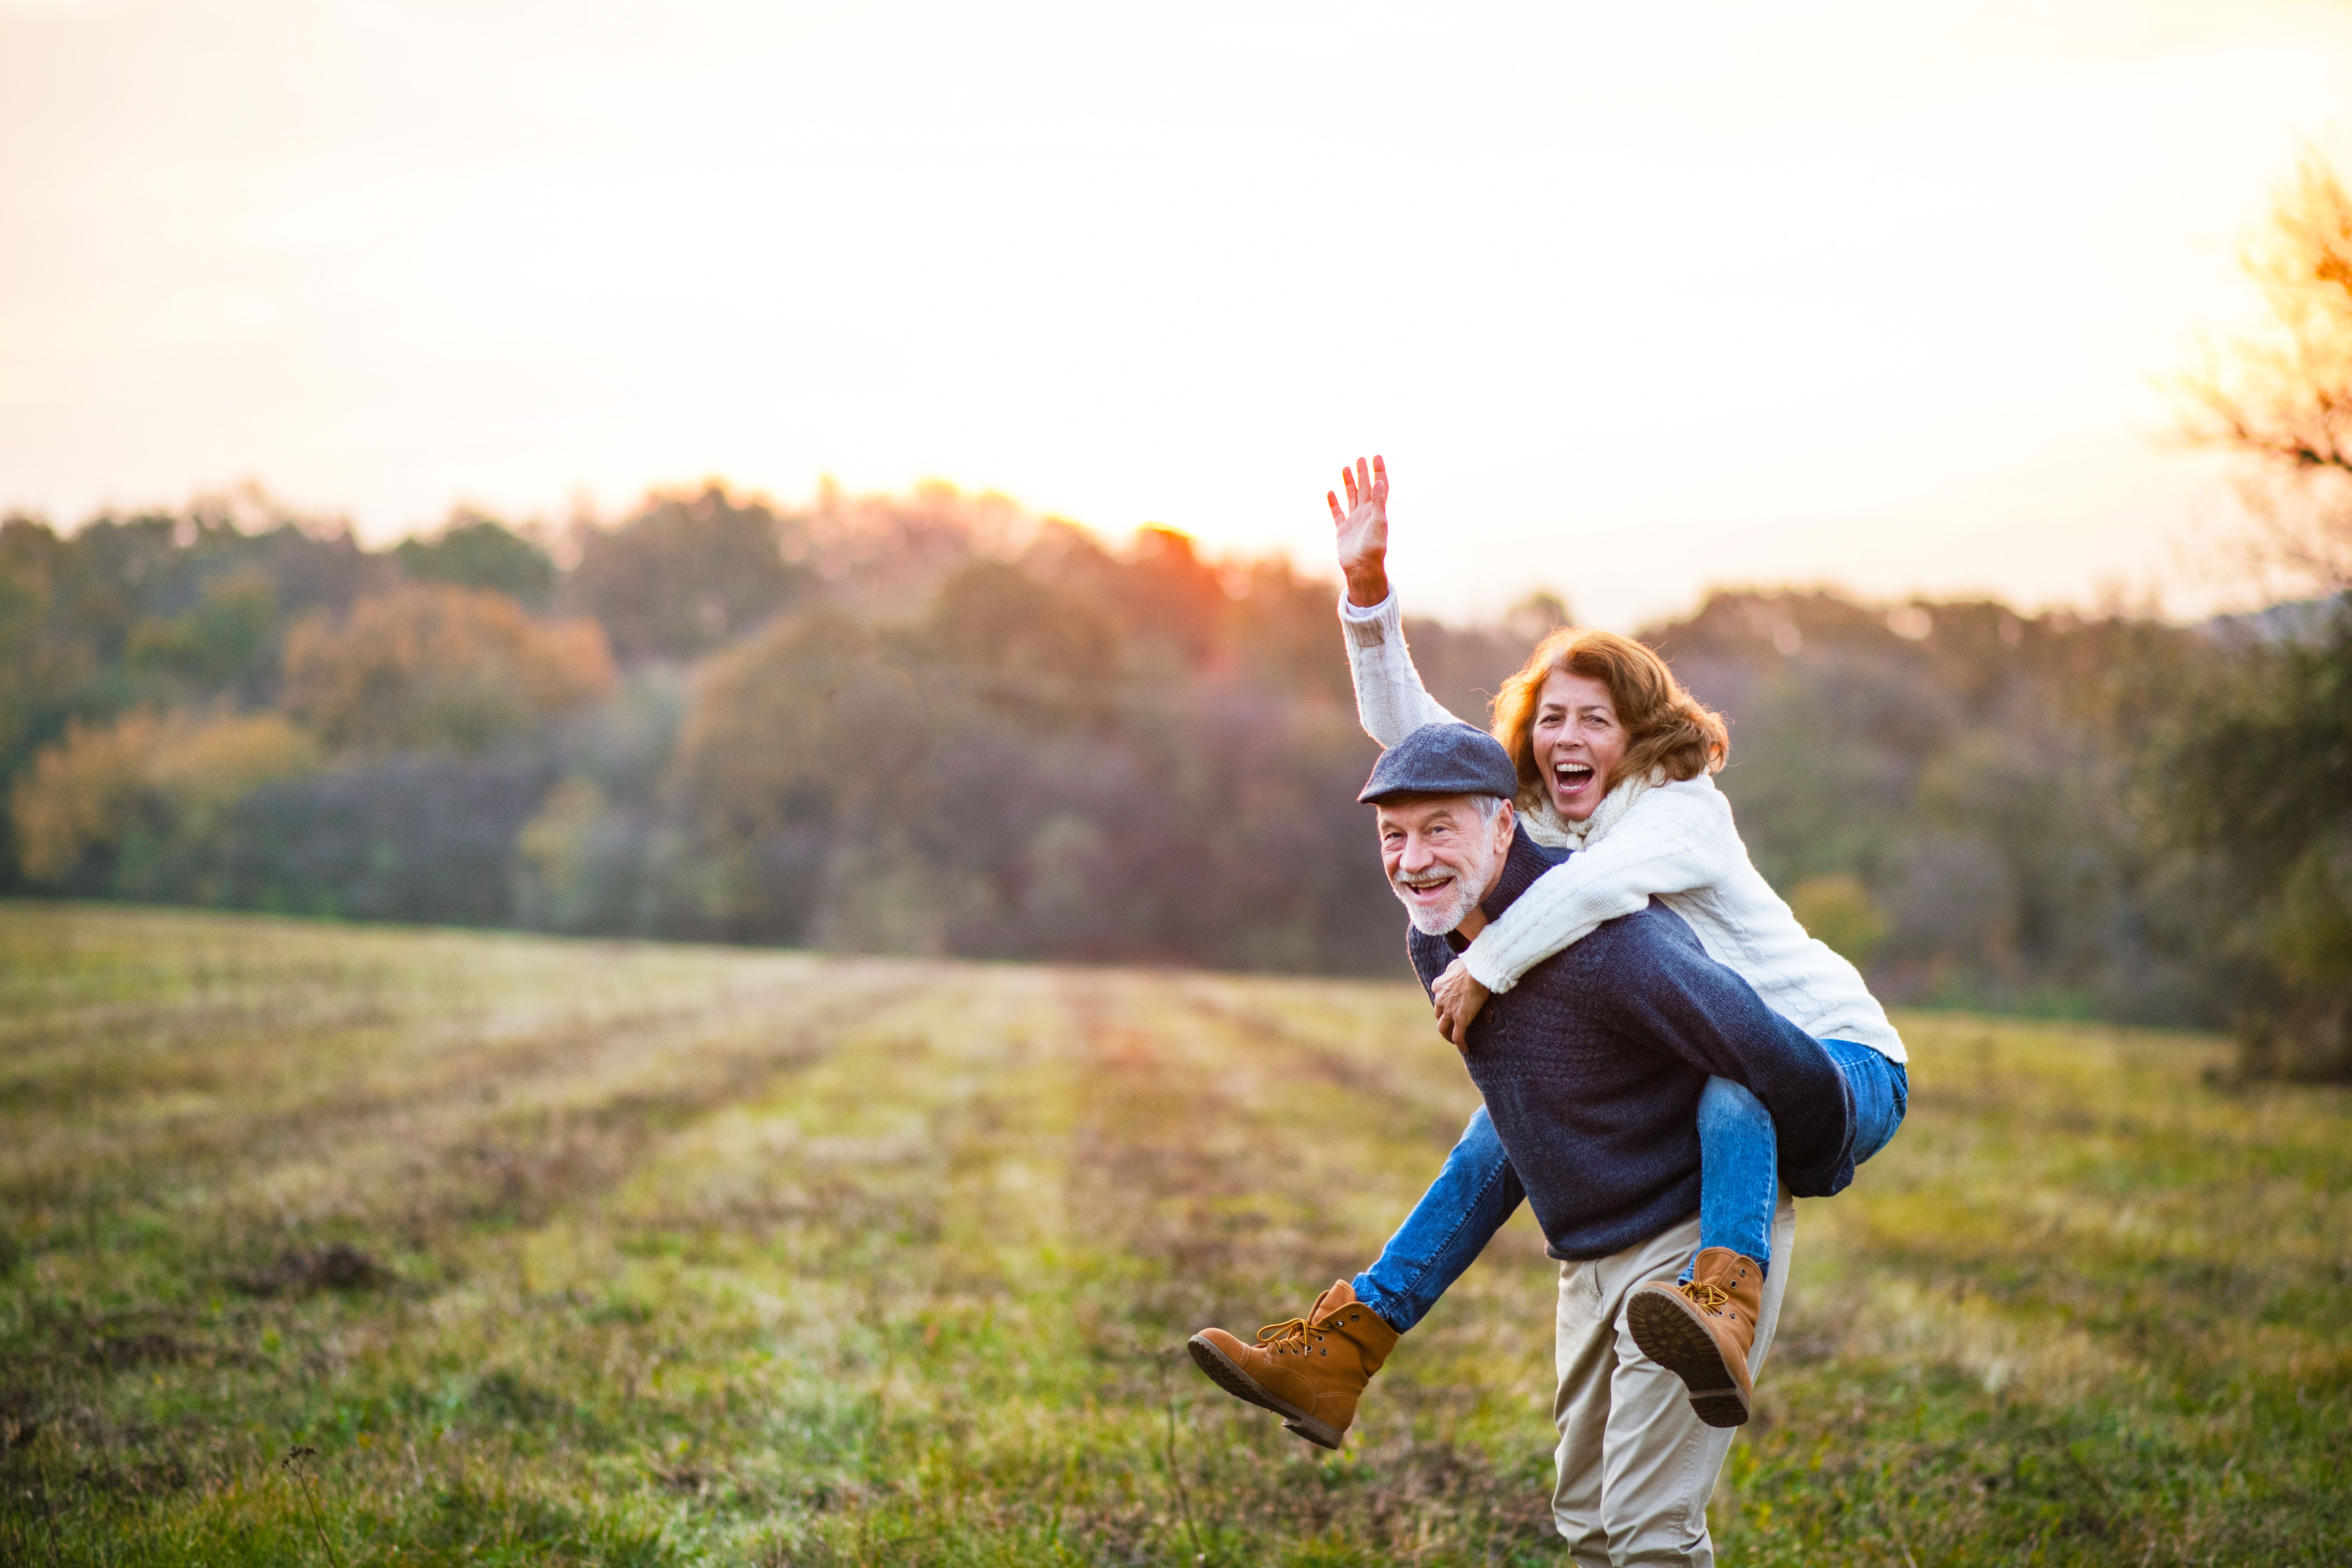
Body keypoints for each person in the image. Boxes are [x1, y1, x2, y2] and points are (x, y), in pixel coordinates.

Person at [1313, 455, 1911, 1430]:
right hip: (1716, 1046)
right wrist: (1367, 593)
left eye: (1597, 717)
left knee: (1735, 1080)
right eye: (1550, 718)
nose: (1566, 735)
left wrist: (1483, 967)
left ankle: (1721, 1302)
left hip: (1834, 1059)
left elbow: (1598, 889)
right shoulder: (1551, 818)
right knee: (1500, 1124)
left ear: (1640, 736)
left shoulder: (1680, 812)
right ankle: (1353, 1336)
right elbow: (1412, 740)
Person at [1188, 722, 1856, 1565]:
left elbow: (1765, 1049)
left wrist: (1823, 1155)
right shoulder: (1434, 939)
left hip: (1691, 1239)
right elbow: (1514, 1118)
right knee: (1589, 1526)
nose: (1412, 858)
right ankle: (1347, 1347)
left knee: (1651, 1530)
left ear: (1505, 825)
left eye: (1439, 828)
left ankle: (1361, 1342)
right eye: (1393, 835)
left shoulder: (1618, 946)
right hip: (1591, 1247)